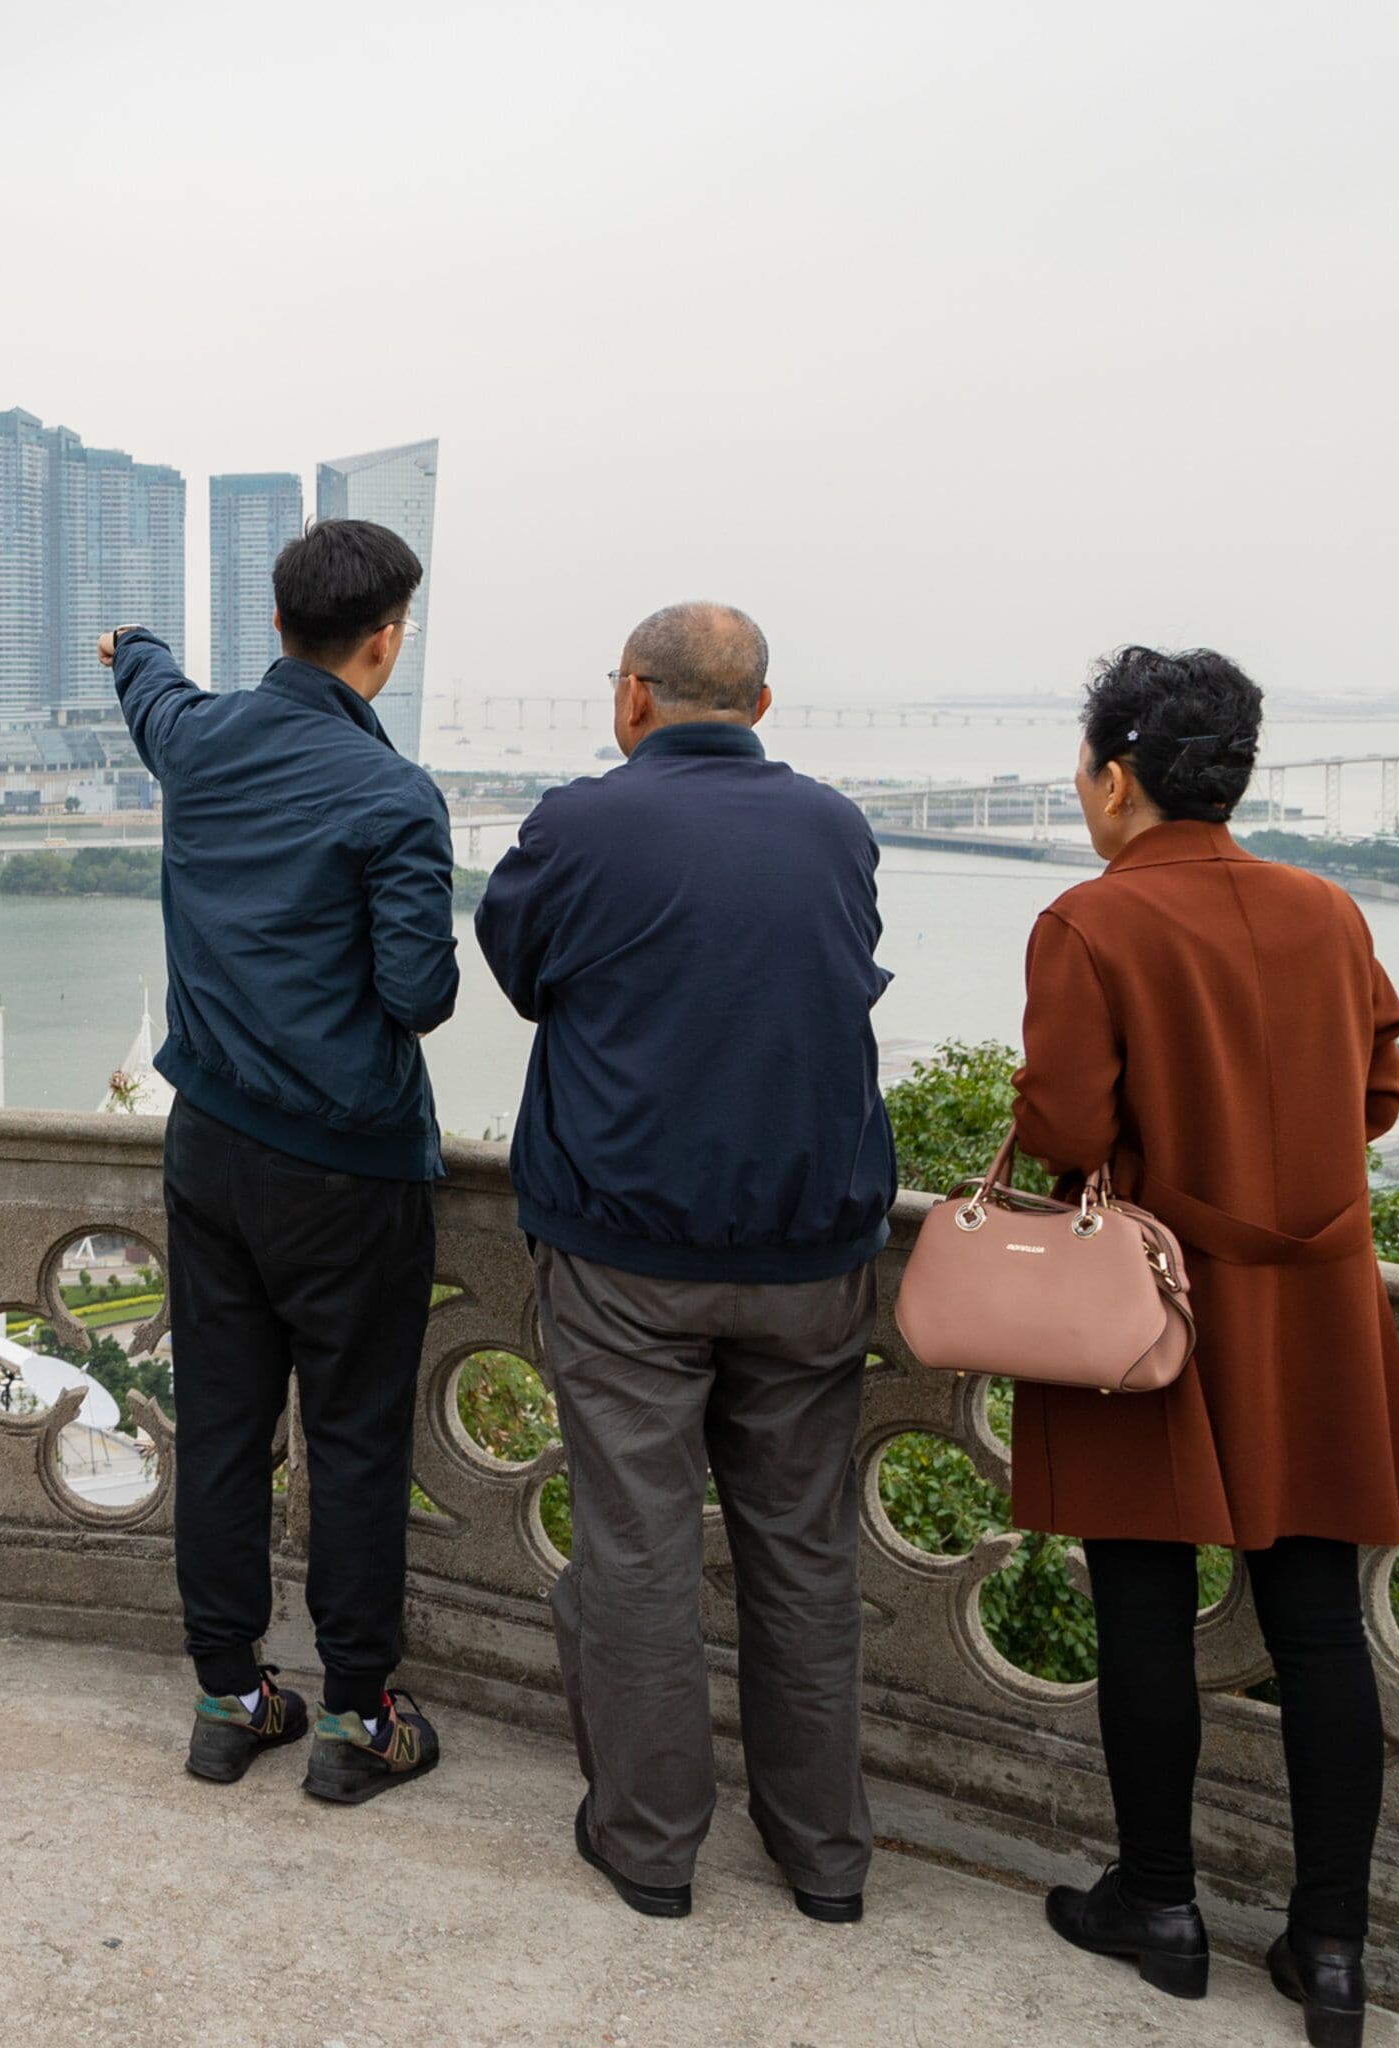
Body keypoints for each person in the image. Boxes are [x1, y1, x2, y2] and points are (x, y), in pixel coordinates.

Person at [1012, 647, 1399, 2047]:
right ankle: (1332, 1949)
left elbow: (1063, 1135)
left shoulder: (1091, 925)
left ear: (1116, 778)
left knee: (1143, 1611)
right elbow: (1374, 1093)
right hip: (1313, 1309)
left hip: (1155, 1307)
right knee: (1319, 1628)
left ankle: (1162, 1904)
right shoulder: (1328, 909)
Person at [471, 603, 894, 1925]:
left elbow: (518, 969)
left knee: (641, 1551)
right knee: (805, 1556)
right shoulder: (837, 825)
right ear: (760, 707)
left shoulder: (583, 823)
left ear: (635, 699)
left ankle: (651, 1845)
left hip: (629, 1253)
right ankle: (824, 1857)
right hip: (815, 1250)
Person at [100, 516, 457, 1805]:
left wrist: (128, 642)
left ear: (275, 626)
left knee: (225, 1427)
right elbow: (418, 994)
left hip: (211, 1153)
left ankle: (230, 1696)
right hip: (346, 1169)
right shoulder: (392, 796)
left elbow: (153, 689)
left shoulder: (199, 746)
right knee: (354, 1440)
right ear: (387, 642)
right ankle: (359, 1717)